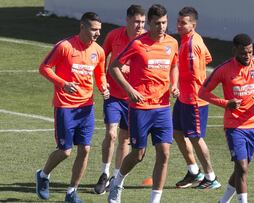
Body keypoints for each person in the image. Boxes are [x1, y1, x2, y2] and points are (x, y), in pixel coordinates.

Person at [107, 4, 179, 203]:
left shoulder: (172, 43)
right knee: (139, 154)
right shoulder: (138, 44)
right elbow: (114, 67)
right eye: (157, 23)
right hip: (141, 108)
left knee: (164, 153)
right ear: (150, 23)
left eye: (164, 22)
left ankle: (155, 200)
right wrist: (130, 90)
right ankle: (118, 180)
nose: (161, 27)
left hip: (163, 108)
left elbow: (174, 66)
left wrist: (174, 85)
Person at [35, 12, 109, 203]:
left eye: (99, 30)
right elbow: (44, 68)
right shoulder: (65, 46)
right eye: (93, 29)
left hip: (86, 108)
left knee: (85, 149)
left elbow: (100, 74)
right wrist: (63, 83)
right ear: (82, 27)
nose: (97, 33)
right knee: (65, 151)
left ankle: (71, 192)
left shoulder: (98, 51)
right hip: (65, 106)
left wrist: (103, 88)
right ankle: (43, 175)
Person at [199, 33, 254, 203]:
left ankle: (223, 201)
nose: (247, 56)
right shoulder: (224, 69)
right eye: (243, 53)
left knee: (242, 168)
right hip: (234, 126)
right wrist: (226, 103)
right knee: (242, 167)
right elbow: (202, 92)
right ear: (235, 51)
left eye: (250, 52)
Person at [93, 4, 146, 195]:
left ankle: (116, 177)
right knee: (111, 134)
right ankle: (104, 173)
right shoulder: (114, 35)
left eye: (142, 22)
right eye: (136, 22)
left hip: (134, 97)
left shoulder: (147, 40)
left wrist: (129, 70)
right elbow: (101, 58)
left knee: (125, 139)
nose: (140, 26)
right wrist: (103, 81)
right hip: (113, 95)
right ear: (128, 20)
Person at [173, 6, 220, 189]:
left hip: (194, 99)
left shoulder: (193, 44)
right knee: (177, 132)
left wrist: (176, 83)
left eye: (183, 23)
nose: (178, 25)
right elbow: (208, 58)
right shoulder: (191, 39)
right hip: (184, 97)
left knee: (195, 137)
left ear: (193, 25)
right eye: (178, 22)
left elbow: (193, 75)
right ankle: (194, 171)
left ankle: (211, 177)